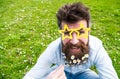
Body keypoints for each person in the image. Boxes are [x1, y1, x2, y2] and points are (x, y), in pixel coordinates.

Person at [23, 2, 119, 79]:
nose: (74, 41)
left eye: (81, 32)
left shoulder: (96, 48)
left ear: (89, 32)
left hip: (83, 74)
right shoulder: (54, 48)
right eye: (67, 33)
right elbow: (33, 74)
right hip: (60, 70)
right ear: (61, 33)